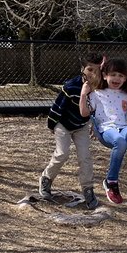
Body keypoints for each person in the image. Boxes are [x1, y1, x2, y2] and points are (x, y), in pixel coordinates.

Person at [40, 53, 104, 209]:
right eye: (89, 69)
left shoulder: (100, 88)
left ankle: (88, 190)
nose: (93, 74)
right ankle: (46, 178)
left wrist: (95, 126)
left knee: (85, 157)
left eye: (96, 70)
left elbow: (99, 109)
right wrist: (52, 124)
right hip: (63, 124)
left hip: (81, 126)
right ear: (82, 69)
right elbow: (58, 106)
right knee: (62, 153)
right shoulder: (71, 86)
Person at [79, 56, 127, 205]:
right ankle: (111, 181)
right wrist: (83, 94)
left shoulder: (126, 94)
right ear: (104, 75)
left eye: (120, 75)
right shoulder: (96, 93)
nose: (116, 78)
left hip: (123, 127)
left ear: (125, 78)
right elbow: (84, 113)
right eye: (113, 74)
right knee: (120, 142)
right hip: (105, 129)